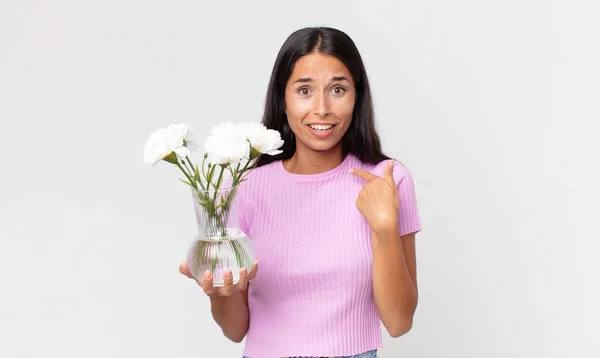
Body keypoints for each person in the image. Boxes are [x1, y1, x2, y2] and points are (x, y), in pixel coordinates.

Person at [179, 26, 422, 358]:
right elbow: (235, 330)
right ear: (283, 99)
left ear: (357, 96)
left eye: (338, 89)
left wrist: (384, 228)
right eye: (304, 90)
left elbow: (398, 322)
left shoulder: (388, 181)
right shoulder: (243, 188)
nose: (321, 109)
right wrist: (218, 292)